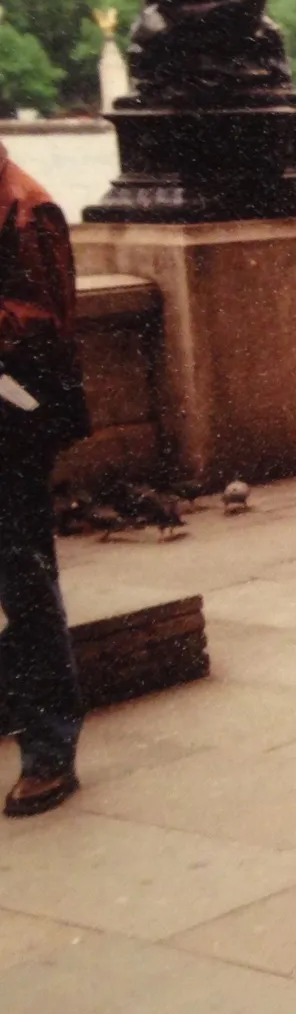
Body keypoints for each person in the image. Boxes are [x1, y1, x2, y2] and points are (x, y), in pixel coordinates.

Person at [1, 142, 87, 818]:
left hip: (11, 420)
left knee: (24, 578)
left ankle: (49, 749)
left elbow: (51, 323)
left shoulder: (29, 209)